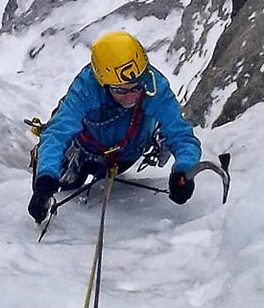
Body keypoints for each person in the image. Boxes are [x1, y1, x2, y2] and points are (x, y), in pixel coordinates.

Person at [28, 31, 201, 224]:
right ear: (103, 83)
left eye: (136, 87)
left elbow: (180, 134)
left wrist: (183, 170)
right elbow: (57, 133)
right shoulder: (86, 88)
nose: (131, 96)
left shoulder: (153, 86)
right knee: (63, 190)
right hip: (85, 155)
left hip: (127, 154)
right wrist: (45, 180)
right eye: (121, 90)